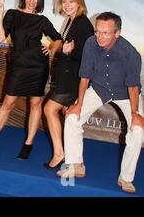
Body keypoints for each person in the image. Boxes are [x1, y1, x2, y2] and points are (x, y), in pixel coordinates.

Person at [57, 12, 143, 194]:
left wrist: (136, 114)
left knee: (138, 131)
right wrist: (78, 104)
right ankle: (76, 165)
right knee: (72, 117)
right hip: (99, 88)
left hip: (125, 93)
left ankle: (125, 178)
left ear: (117, 33)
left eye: (105, 33)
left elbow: (133, 87)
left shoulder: (130, 53)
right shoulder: (90, 43)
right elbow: (85, 76)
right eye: (97, 31)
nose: (99, 36)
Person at [0, 0, 62, 159]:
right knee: (8, 103)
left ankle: (28, 144)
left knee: (35, 104)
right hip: (19, 65)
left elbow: (58, 39)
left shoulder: (42, 20)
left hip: (38, 66)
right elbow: (0, 39)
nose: (32, 1)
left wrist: (51, 49)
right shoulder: (12, 14)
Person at [43, 0, 94, 169]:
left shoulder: (82, 23)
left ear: (79, 3)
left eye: (71, 1)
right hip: (66, 77)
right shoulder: (71, 21)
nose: (67, 5)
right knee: (68, 117)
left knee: (49, 110)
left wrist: (68, 51)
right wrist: (62, 49)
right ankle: (74, 159)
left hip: (72, 80)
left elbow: (87, 55)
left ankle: (59, 153)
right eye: (64, 1)